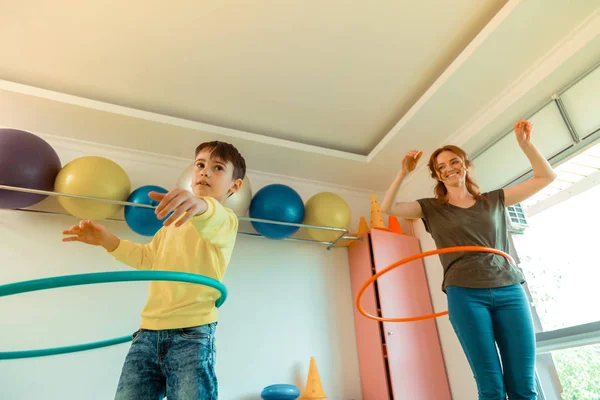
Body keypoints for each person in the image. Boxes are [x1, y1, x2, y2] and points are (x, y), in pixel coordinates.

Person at [380, 119, 556, 400]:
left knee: (524, 385)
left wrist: (526, 144)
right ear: (438, 176)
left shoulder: (494, 200)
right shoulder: (431, 209)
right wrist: (403, 174)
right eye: (441, 167)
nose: (449, 168)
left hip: (509, 288)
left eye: (454, 161)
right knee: (491, 387)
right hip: (465, 294)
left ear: (466, 164)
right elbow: (387, 207)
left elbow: (546, 178)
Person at [62, 141, 246, 400]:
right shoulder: (170, 228)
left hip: (191, 335)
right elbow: (148, 260)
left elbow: (210, 215)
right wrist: (107, 241)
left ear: (234, 186)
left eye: (217, 168)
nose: (205, 172)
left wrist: (200, 205)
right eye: (200, 165)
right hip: (147, 335)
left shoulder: (225, 221)